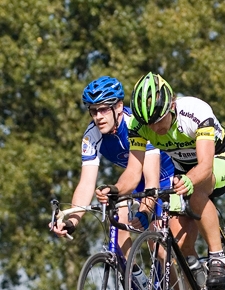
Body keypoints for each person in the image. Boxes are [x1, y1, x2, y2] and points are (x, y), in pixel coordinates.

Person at [95, 72, 225, 289]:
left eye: (158, 120)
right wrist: (115, 189)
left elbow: (205, 166)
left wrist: (189, 180)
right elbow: (134, 173)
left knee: (197, 192)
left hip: (219, 160)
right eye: (149, 124)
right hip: (183, 172)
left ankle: (218, 257)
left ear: (171, 106)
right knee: (179, 241)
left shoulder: (194, 112)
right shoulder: (138, 126)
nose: (155, 129)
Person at [51, 76, 174, 256]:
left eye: (103, 110)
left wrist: (145, 210)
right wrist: (73, 221)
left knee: (158, 249)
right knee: (117, 214)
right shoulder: (91, 136)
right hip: (135, 182)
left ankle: (175, 284)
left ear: (118, 107)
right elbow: (86, 184)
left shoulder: (138, 124)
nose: (98, 117)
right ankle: (134, 278)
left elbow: (151, 180)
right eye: (93, 111)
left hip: (165, 178)